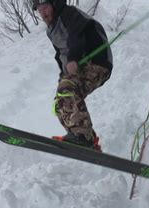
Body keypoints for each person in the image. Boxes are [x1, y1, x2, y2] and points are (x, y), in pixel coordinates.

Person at [32, 0, 113, 151]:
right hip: (78, 67)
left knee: (67, 89)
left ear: (54, 5)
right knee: (60, 103)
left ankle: (82, 136)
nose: (42, 13)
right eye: (39, 10)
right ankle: (85, 138)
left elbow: (76, 36)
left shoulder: (69, 14)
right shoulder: (51, 30)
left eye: (45, 7)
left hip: (96, 62)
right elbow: (61, 54)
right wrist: (63, 74)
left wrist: (73, 59)